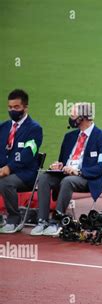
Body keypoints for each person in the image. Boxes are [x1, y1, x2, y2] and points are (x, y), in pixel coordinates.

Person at [30, 103, 102, 236]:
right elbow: (62, 160)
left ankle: (57, 221)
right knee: (44, 178)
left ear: (83, 118)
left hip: (87, 178)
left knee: (68, 181)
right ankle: (42, 220)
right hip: (66, 175)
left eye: (73, 115)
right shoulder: (69, 137)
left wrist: (79, 172)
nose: (70, 118)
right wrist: (58, 166)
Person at [0, 89, 43, 233]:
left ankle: (14, 219)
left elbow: (27, 155)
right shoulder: (3, 127)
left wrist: (8, 168)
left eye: (16, 107)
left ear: (25, 107)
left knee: (5, 182)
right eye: (10, 107)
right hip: (5, 170)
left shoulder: (34, 129)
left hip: (26, 175)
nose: (12, 110)